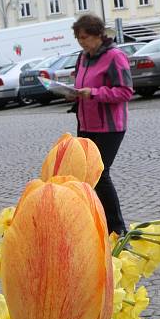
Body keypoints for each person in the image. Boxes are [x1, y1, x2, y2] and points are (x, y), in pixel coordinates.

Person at [68, 14, 134, 235]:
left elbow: (125, 91)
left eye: (85, 37)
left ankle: (117, 227)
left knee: (100, 174)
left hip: (109, 127)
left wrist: (93, 93)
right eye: (78, 38)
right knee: (85, 176)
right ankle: (95, 221)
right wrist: (73, 93)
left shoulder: (115, 56)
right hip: (86, 124)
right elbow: (81, 83)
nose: (82, 42)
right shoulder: (83, 57)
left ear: (98, 35)